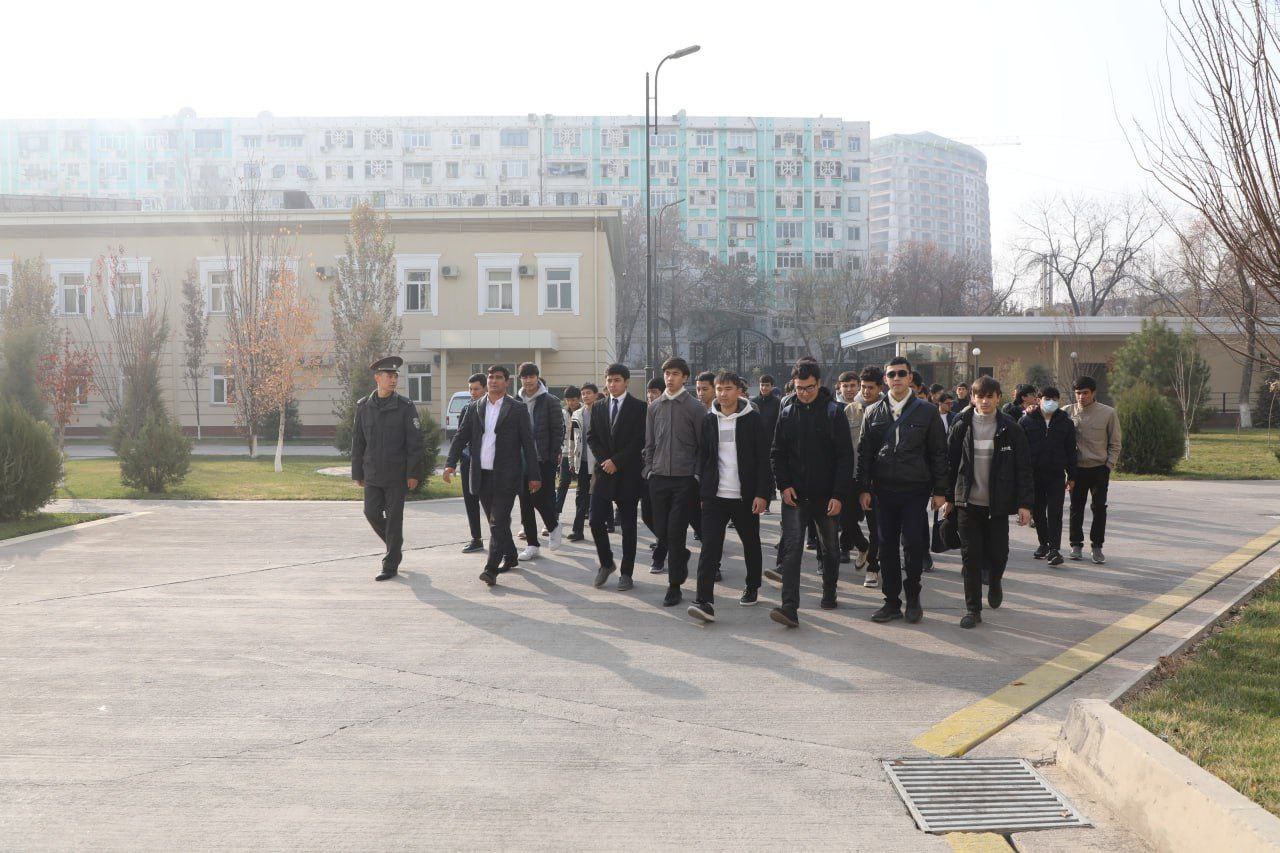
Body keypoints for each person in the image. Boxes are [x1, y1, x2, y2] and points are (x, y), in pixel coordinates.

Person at [856, 356, 949, 625]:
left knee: (913, 544)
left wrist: (940, 491)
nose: (896, 378)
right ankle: (891, 602)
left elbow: (938, 453)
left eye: (901, 374)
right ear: (885, 379)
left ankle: (913, 598)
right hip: (882, 491)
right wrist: (863, 488)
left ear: (910, 378)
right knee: (885, 547)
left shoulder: (927, 411)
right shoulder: (873, 411)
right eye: (891, 374)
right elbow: (864, 454)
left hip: (915, 489)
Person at [764, 360, 853, 628]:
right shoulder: (788, 412)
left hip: (827, 496)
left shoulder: (834, 413)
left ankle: (829, 591)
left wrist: (838, 494)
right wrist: (784, 485)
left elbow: (845, 458)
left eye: (809, 388)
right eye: (799, 388)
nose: (803, 393)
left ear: (819, 384)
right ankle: (789, 607)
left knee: (830, 549)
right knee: (791, 550)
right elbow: (777, 453)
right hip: (796, 496)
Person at [943, 376, 1034, 628]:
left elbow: (1024, 468)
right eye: (979, 396)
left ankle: (995, 580)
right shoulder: (961, 424)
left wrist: (1025, 505)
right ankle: (973, 609)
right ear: (973, 398)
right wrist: (948, 498)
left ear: (998, 398)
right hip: (967, 504)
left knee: (999, 553)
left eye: (989, 396)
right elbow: (949, 465)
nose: (984, 401)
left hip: (998, 505)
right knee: (970, 556)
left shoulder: (1011, 428)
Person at [687, 371, 773, 622]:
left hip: (745, 496)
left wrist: (762, 494)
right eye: (719, 389)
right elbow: (704, 459)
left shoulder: (753, 420)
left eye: (728, 389)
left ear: (739, 391)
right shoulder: (708, 420)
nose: (723, 394)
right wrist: (704, 492)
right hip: (716, 496)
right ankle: (704, 600)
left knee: (750, 543)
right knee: (710, 547)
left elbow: (763, 460)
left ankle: (752, 585)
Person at [443, 364, 540, 586]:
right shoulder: (475, 407)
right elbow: (460, 437)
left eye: (498, 377)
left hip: (507, 476)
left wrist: (534, 475)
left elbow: (528, 443)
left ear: (507, 382)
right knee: (496, 522)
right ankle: (511, 555)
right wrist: (450, 464)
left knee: (497, 522)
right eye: (490, 377)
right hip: (481, 475)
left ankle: (490, 569)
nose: (493, 381)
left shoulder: (517, 409)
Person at [351, 356, 425, 582]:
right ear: (377, 378)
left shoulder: (405, 406)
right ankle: (395, 546)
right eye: (389, 376)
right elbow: (358, 442)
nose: (393, 380)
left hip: (396, 474)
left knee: (394, 519)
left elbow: (415, 443)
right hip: (372, 473)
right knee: (371, 513)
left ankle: (390, 564)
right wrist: (357, 473)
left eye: (395, 377)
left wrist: (413, 473)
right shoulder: (364, 406)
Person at [643, 356, 706, 607]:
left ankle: (674, 585)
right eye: (667, 373)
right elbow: (649, 443)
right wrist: (648, 469)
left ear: (685, 378)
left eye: (676, 373)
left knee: (676, 531)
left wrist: (696, 475)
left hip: (684, 480)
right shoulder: (654, 407)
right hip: (658, 478)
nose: (670, 378)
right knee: (662, 531)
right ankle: (680, 554)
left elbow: (703, 447)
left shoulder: (695, 408)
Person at [588, 363, 647, 590]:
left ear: (626, 382)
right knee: (594, 521)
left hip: (628, 474)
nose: (612, 385)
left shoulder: (639, 407)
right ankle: (606, 562)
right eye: (609, 380)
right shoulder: (599, 406)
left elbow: (639, 440)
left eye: (617, 380)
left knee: (628, 527)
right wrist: (606, 461)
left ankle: (627, 573)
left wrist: (617, 461)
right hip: (603, 474)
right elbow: (592, 437)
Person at [1065, 376, 1122, 564]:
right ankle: (1076, 545)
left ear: (1093, 393)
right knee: (1076, 508)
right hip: (1077, 470)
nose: (1081, 397)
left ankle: (1097, 547)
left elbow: (1115, 442)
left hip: (1099, 469)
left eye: (1085, 393)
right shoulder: (1066, 412)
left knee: (1099, 508)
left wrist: (1109, 465)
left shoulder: (1108, 413)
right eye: (1078, 393)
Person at [1019, 386, 1077, 567]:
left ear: (1058, 400)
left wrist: (1072, 475)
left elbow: (1071, 451)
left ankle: (1055, 549)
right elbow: (1020, 451)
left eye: (1054, 398)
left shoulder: (1065, 423)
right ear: (1038, 399)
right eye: (1046, 398)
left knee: (1055, 512)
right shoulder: (1026, 421)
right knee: (1037, 512)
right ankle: (1044, 543)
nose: (1050, 401)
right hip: (1033, 475)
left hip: (1056, 475)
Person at [515, 362, 564, 559]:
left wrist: (552, 456)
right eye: (524, 377)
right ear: (520, 379)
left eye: (531, 376)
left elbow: (557, 430)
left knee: (539, 498)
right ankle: (532, 544)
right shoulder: (515, 401)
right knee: (525, 502)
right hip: (521, 460)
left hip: (543, 458)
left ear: (537, 377)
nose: (528, 380)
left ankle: (553, 525)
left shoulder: (550, 400)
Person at [834, 370, 873, 569]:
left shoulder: (877, 407)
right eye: (845, 386)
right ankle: (861, 545)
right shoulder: (846, 410)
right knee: (846, 517)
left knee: (873, 521)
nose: (850, 389)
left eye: (853, 385)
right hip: (850, 474)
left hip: (874, 476)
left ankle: (873, 565)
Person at [566, 383, 600, 542]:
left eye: (589, 393)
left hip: (599, 462)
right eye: (583, 393)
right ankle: (577, 530)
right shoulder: (577, 415)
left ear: (595, 394)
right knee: (581, 496)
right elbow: (572, 439)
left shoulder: (602, 411)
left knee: (598, 495)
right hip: (582, 460)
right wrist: (572, 460)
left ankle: (604, 524)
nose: (586, 396)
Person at [458, 373, 487, 554]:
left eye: (476, 389)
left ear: (484, 388)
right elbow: (461, 437)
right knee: (470, 501)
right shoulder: (466, 409)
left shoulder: (494, 409)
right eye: (470, 389)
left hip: (488, 463)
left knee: (491, 503)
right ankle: (476, 538)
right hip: (469, 462)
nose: (473, 392)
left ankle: (501, 538)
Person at [556, 386, 582, 517]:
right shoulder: (562, 413)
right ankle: (555, 513)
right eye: (568, 400)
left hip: (581, 454)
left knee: (583, 487)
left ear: (579, 398)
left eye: (573, 400)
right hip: (566, 452)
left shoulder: (584, 411)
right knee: (563, 483)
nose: (571, 403)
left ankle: (582, 514)